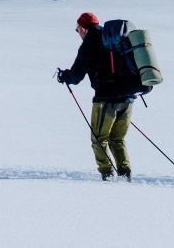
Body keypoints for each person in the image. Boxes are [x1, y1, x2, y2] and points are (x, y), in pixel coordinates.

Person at [57, 12, 146, 180]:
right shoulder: (115, 39)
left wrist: (65, 76)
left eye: (77, 30)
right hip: (128, 98)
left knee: (98, 139)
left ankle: (107, 175)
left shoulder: (90, 43)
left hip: (106, 100)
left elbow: (76, 76)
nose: (78, 33)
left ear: (83, 28)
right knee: (117, 139)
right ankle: (125, 173)